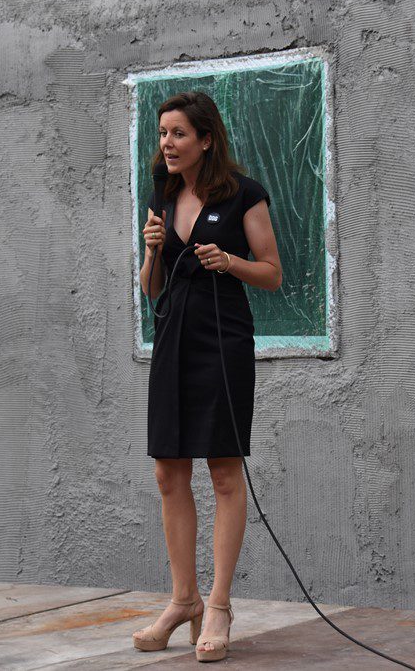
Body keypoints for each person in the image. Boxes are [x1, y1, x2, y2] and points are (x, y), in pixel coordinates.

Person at [134, 91, 282, 662]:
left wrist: (230, 262)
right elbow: (152, 288)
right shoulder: (162, 195)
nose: (167, 144)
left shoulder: (244, 194)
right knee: (168, 472)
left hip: (222, 340)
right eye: (162, 134)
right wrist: (151, 252)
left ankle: (218, 604)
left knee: (222, 472)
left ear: (206, 139)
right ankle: (183, 600)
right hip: (172, 338)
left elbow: (272, 273)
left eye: (178, 134)